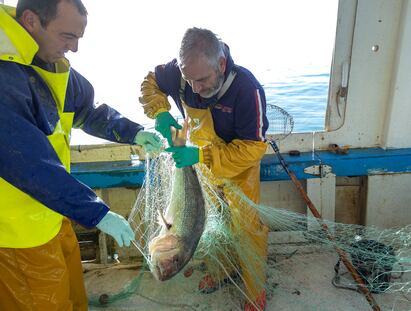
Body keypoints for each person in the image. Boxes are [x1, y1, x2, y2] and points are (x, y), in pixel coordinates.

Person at [0, 0, 162, 310]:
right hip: (17, 233)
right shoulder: (5, 75)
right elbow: (30, 165)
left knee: (71, 295)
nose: (74, 48)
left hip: (52, 212)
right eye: (67, 36)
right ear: (31, 21)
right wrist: (96, 212)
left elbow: (88, 110)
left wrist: (132, 132)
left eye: (78, 38)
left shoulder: (44, 57)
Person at [139, 27, 269, 311]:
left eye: (202, 79)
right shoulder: (179, 73)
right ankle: (221, 270)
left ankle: (254, 288)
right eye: (189, 80)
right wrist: (161, 112)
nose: (195, 88)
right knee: (210, 223)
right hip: (197, 164)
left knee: (247, 229)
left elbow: (253, 148)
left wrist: (201, 153)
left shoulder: (247, 89)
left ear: (221, 64)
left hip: (238, 168)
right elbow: (150, 84)